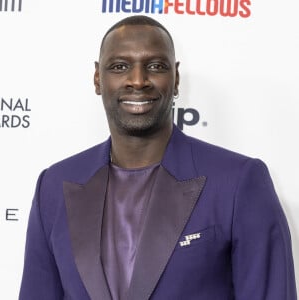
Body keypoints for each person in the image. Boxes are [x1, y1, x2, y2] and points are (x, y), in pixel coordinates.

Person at [19, 15, 297, 300]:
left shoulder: (239, 181)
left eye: (155, 66)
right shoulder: (54, 185)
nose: (138, 81)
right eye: (120, 66)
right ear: (98, 78)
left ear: (175, 79)